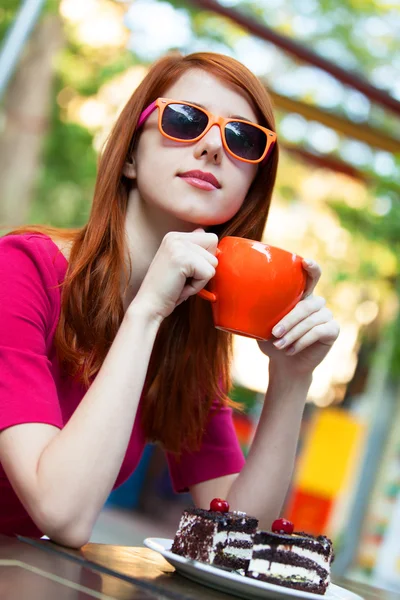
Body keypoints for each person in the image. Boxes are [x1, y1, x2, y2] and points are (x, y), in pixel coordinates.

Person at [0, 52, 339, 548]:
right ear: (131, 155)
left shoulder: (191, 329)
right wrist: (146, 313)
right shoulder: (21, 270)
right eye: (185, 120)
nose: (212, 148)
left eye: (242, 139)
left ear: (250, 189)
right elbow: (62, 513)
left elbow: (236, 537)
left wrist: (292, 381)